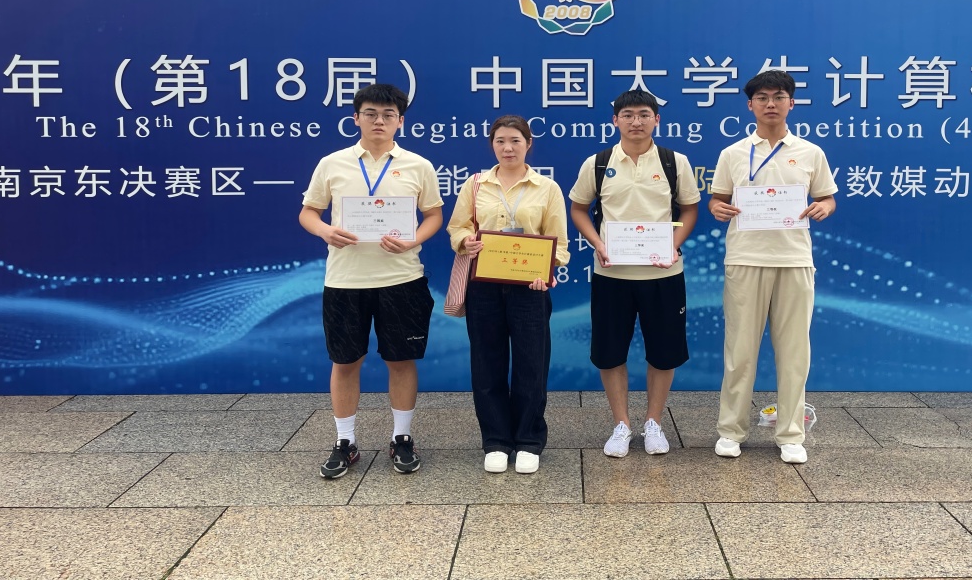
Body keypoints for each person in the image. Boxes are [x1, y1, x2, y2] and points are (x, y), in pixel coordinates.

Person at [299, 83, 443, 478]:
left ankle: (402, 437)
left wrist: (413, 239)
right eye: (371, 114)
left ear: (401, 121)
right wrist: (325, 231)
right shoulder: (332, 163)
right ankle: (345, 441)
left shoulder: (418, 165)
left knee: (401, 359)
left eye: (388, 115)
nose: (379, 121)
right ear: (356, 118)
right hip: (345, 280)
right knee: (345, 361)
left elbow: (433, 215)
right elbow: (308, 212)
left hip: (402, 278)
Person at [708, 70, 837, 464]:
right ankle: (731, 430)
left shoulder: (810, 152)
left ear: (791, 103)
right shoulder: (732, 153)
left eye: (778, 96)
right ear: (750, 105)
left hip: (794, 260)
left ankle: (791, 434)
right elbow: (716, 199)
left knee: (795, 352)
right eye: (762, 97)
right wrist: (718, 208)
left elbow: (828, 198)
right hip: (745, 259)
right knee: (740, 351)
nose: (770, 104)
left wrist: (823, 207)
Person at [568, 90, 699, 457]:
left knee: (664, 352)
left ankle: (654, 422)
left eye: (644, 114)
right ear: (615, 120)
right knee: (610, 353)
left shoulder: (675, 162)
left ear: (657, 119)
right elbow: (578, 208)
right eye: (627, 115)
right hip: (612, 275)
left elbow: (690, 209)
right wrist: (598, 243)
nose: (636, 121)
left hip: (664, 274)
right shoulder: (598, 162)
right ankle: (622, 424)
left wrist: (673, 244)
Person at [446, 115, 570, 474]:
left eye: (515, 140)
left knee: (532, 363)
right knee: (487, 363)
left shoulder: (547, 188)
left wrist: (546, 271)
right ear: (492, 145)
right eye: (500, 140)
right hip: (483, 285)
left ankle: (529, 439)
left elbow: (559, 244)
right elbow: (457, 227)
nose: (508, 147)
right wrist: (465, 241)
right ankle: (496, 440)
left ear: (528, 144)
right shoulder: (475, 185)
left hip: (529, 287)